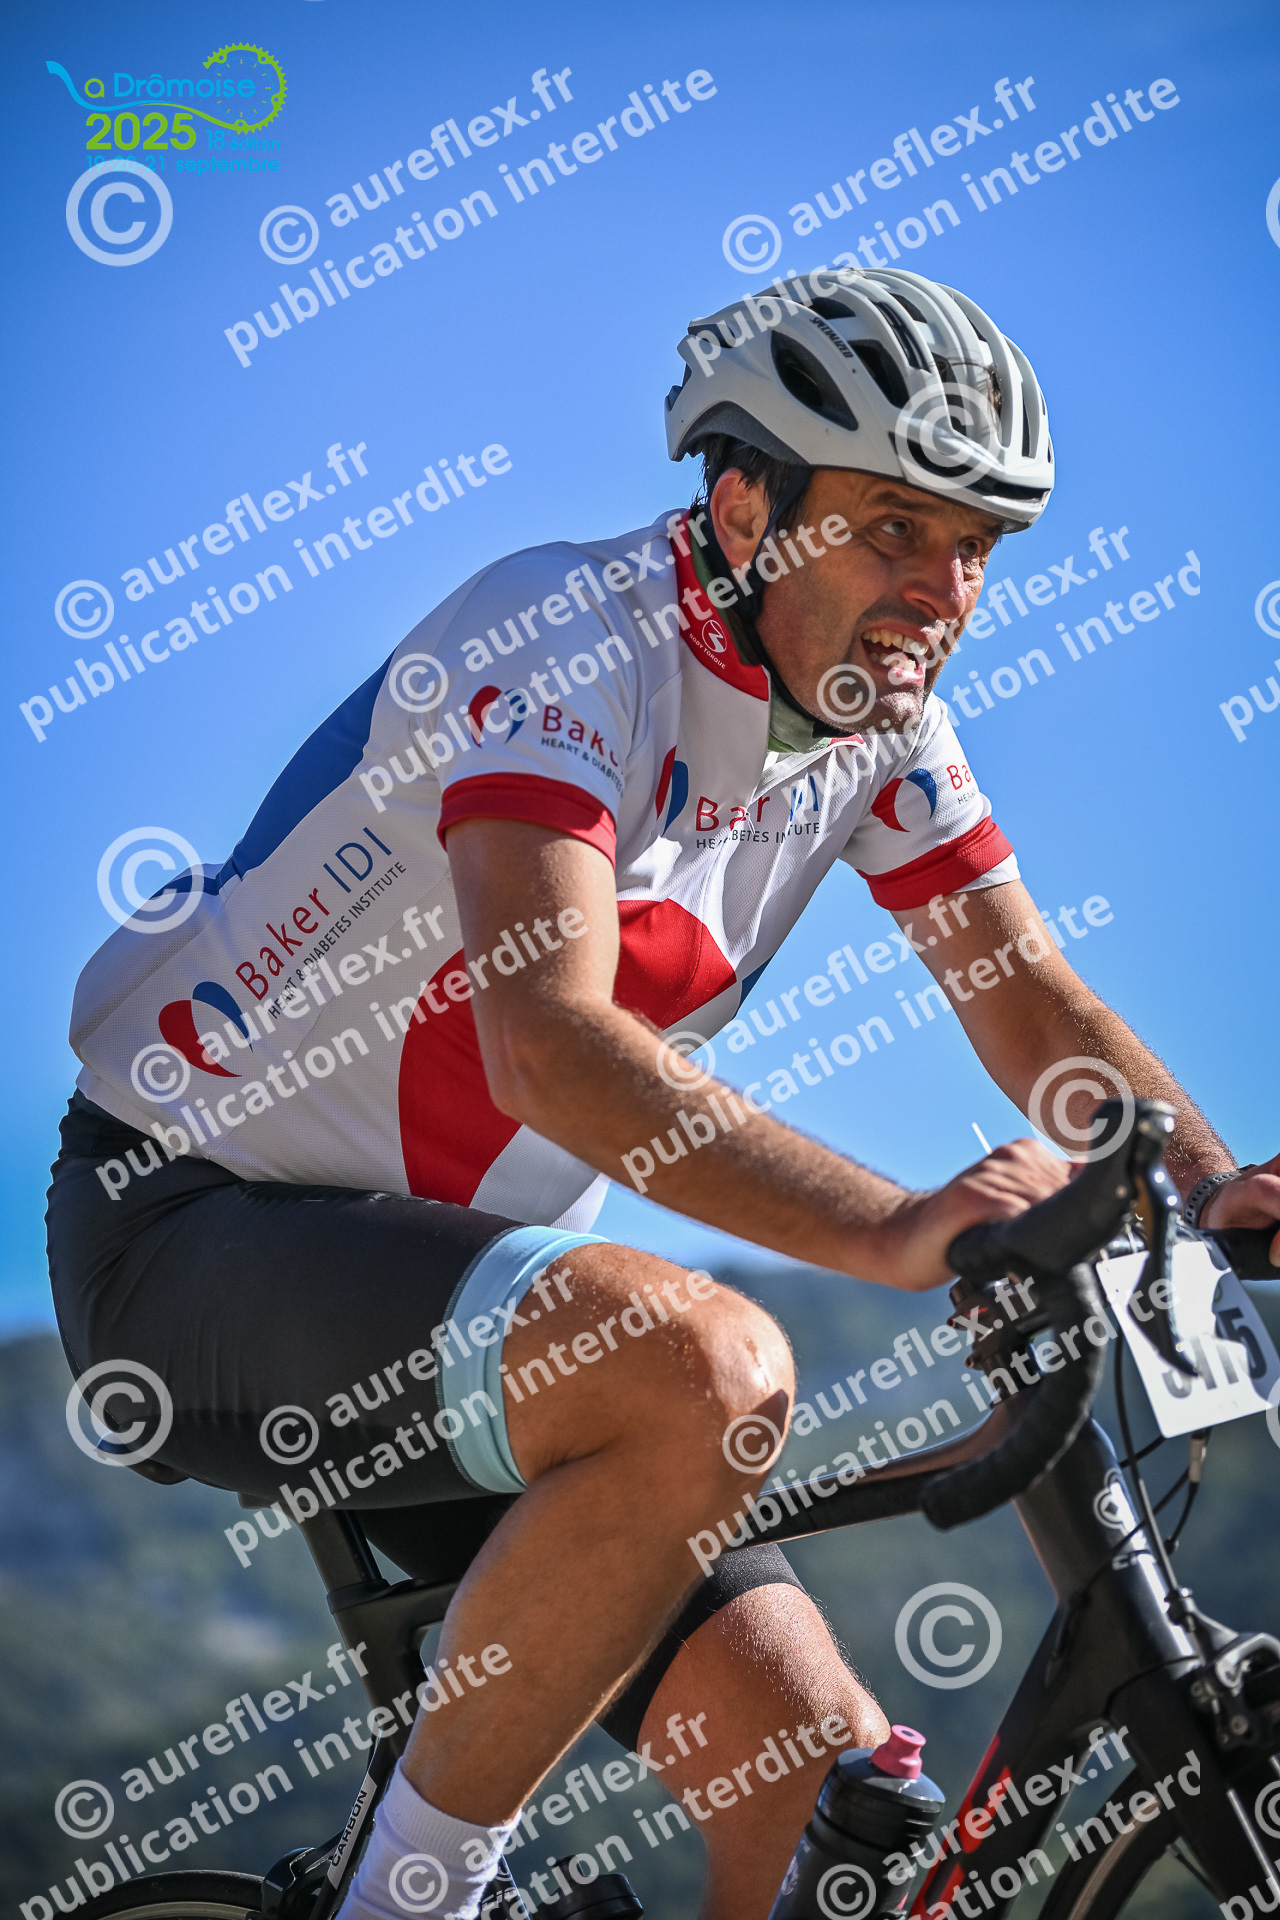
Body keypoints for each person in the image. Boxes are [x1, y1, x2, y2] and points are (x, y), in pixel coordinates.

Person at [47, 264, 1280, 1920]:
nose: (943, 590)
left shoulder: (878, 726)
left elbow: (1026, 992)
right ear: (744, 502)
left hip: (476, 1306)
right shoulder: (568, 638)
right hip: (195, 1227)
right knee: (706, 1369)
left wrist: (1209, 1182)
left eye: (978, 547)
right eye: (894, 529)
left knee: (840, 1821)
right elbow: (548, 1043)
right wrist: (899, 1228)